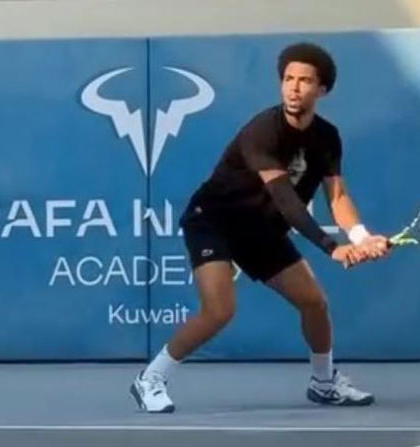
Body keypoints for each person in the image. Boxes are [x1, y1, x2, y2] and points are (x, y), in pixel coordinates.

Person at [130, 42, 390, 413]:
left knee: (314, 302)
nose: (293, 88)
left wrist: (361, 237)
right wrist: (332, 247)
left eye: (304, 81)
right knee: (219, 310)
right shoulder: (263, 130)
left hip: (262, 230)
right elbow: (285, 199)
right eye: (288, 79)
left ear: (322, 90)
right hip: (215, 220)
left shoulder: (327, 137)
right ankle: (150, 378)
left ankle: (324, 383)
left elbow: (338, 196)